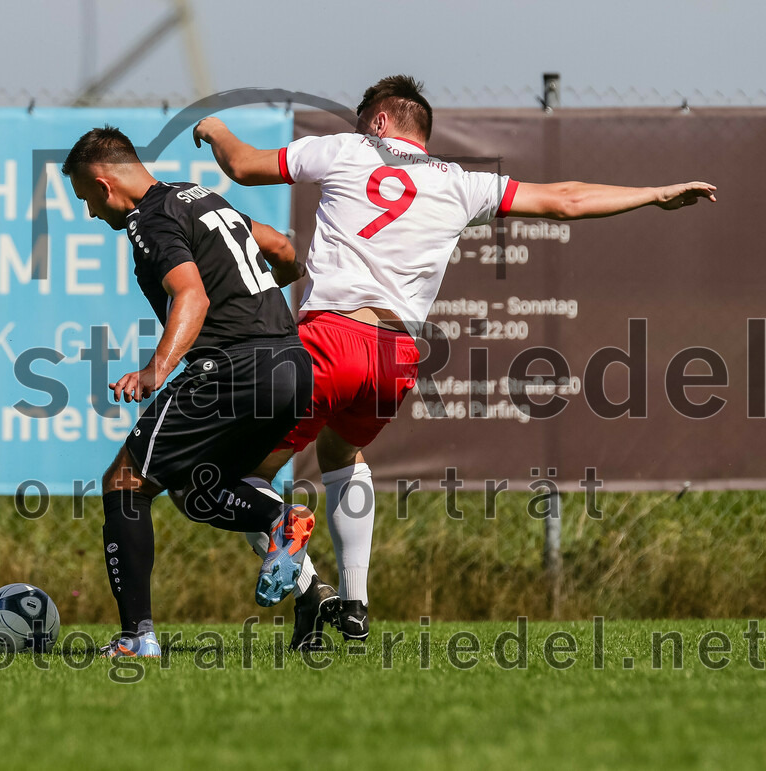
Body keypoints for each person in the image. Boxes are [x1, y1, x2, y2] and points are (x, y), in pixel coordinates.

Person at [193, 74, 717, 648]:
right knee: (343, 450)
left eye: (360, 119)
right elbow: (565, 200)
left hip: (330, 339)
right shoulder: (461, 184)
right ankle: (357, 601)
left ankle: (312, 589)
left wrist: (214, 125)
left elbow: (242, 164)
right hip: (396, 356)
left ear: (379, 122)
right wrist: (654, 194)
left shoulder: (347, 149)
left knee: (241, 475)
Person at [62, 126, 319, 657]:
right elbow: (282, 248)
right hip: (291, 366)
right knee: (196, 488)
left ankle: (138, 638)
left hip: (233, 370)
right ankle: (278, 520)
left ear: (105, 184)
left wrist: (156, 370)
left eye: (87, 199)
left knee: (125, 483)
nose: (91, 213)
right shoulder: (199, 198)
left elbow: (191, 296)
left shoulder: (149, 220)